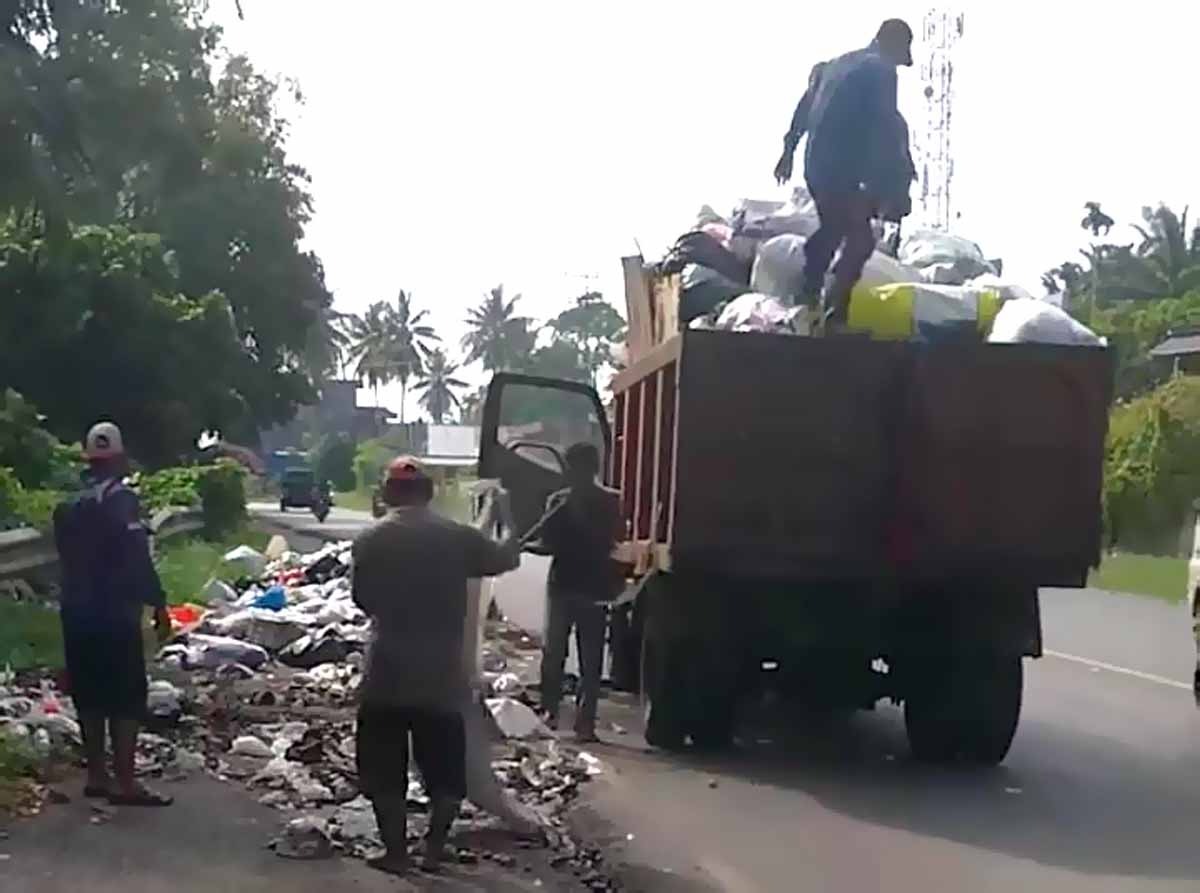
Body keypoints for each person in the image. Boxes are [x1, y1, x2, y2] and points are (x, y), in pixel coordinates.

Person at [351, 456, 519, 876]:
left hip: (386, 670)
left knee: (383, 766)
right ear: (429, 492)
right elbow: (508, 557)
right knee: (445, 769)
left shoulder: (371, 539)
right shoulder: (457, 538)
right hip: (441, 676)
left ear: (388, 493)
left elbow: (362, 600)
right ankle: (433, 849)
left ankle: (396, 853)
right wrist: (505, 513)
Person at [53, 422, 174, 807]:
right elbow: (137, 558)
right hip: (115, 613)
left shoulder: (68, 504)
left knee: (88, 692)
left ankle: (96, 776)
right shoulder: (123, 501)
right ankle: (125, 781)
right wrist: (158, 603)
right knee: (125, 696)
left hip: (76, 611)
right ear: (119, 458)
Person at [773, 18, 917, 328]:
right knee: (861, 238)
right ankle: (832, 309)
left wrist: (788, 151)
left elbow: (803, 108)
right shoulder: (881, 70)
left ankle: (811, 294)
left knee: (836, 225)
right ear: (893, 44)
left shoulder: (833, 65)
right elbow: (885, 126)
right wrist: (892, 185)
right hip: (842, 167)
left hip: (815, 166)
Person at [529, 443, 622, 742]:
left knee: (567, 654)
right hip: (582, 587)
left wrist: (524, 547)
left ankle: (560, 718)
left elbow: (548, 545)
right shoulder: (598, 501)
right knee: (579, 657)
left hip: (575, 587)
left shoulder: (566, 501)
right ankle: (568, 719)